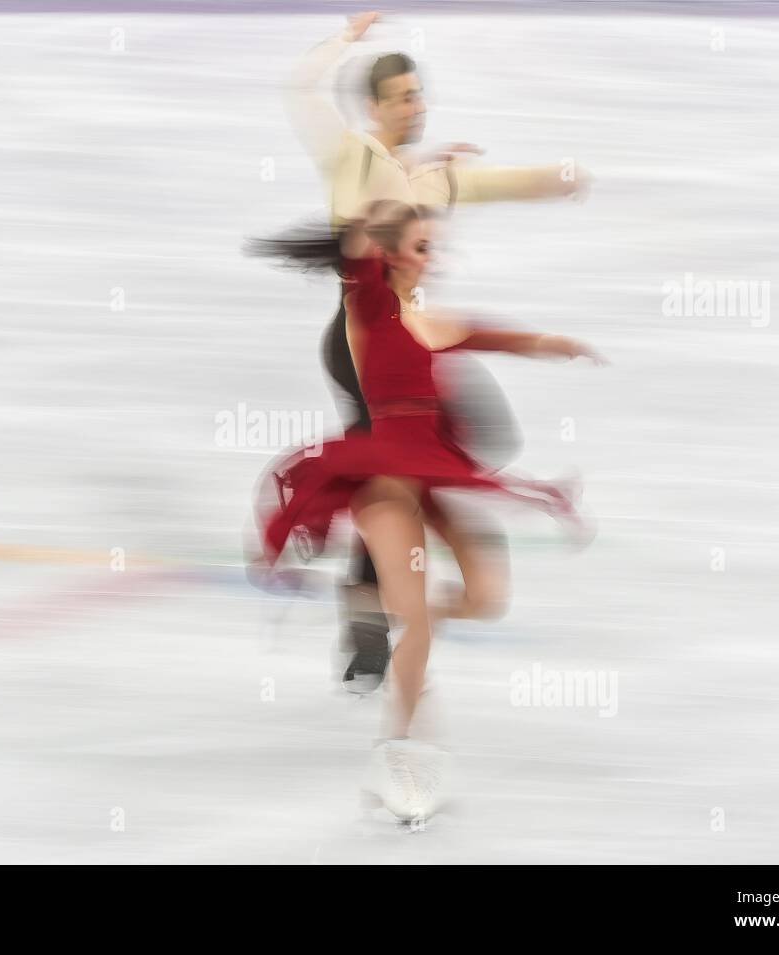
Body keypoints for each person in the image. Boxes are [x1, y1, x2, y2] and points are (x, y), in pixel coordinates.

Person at [251, 202, 603, 820]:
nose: (430, 258)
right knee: (416, 623)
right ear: (387, 254)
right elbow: (359, 251)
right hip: (386, 485)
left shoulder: (430, 320)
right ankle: (400, 754)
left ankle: (388, 611)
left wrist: (553, 344)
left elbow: (495, 337)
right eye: (420, 246)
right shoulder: (371, 307)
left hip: (430, 474)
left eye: (432, 247)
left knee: (485, 597)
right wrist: (386, 199)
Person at [284, 10, 592, 693]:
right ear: (374, 106)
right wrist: (345, 42)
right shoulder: (352, 156)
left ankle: (380, 580)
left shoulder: (432, 177)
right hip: (363, 342)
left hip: (414, 345)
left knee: (473, 437)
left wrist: (555, 176)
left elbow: (494, 183)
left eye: (419, 94)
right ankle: (370, 601)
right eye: (403, 97)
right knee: (396, 465)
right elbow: (300, 92)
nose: (416, 106)